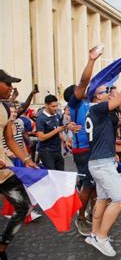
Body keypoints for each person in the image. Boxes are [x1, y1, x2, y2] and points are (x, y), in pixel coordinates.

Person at [84, 70, 121, 257]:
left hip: (99, 162)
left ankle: (94, 234)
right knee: (120, 199)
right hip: (102, 164)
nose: (109, 93)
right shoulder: (97, 107)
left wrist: (120, 124)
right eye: (105, 91)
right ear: (96, 96)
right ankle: (101, 237)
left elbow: (104, 131)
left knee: (103, 199)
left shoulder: (94, 110)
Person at [63, 45, 102, 236]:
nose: (86, 89)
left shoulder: (89, 104)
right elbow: (83, 81)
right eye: (82, 89)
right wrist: (92, 60)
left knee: (94, 183)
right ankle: (80, 217)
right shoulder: (76, 103)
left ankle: (93, 213)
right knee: (88, 184)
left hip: (93, 150)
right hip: (83, 151)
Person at [0, 69, 38, 260]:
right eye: (7, 84)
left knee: (24, 207)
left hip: (4, 171)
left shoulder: (6, 109)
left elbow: (10, 139)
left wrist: (27, 160)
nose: (11, 88)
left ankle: (2, 246)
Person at [36, 94, 78, 171]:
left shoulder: (57, 116)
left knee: (61, 173)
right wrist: (56, 130)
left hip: (57, 150)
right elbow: (41, 137)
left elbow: (60, 130)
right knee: (52, 174)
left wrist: (65, 140)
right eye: (53, 106)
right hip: (46, 151)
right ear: (46, 105)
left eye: (56, 106)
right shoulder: (41, 118)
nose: (55, 108)